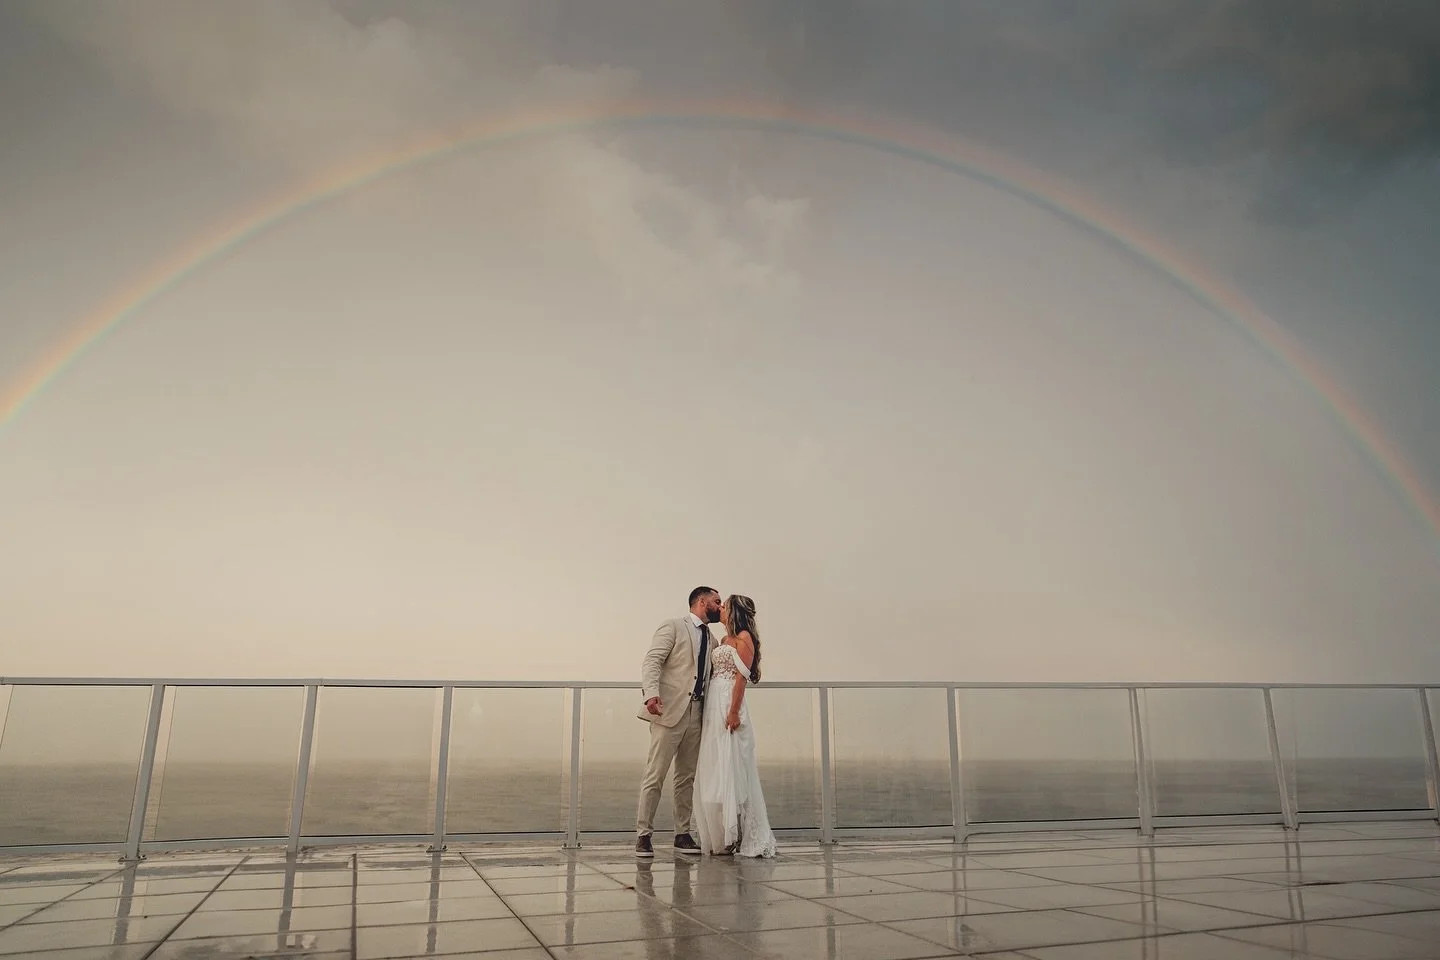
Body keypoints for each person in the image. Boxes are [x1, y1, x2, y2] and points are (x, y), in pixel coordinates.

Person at [634, 586, 722, 857]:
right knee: (655, 775)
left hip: (697, 715)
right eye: (717, 601)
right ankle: (643, 835)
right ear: (702, 601)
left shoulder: (715, 641)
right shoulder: (672, 626)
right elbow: (652, 661)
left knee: (686, 777)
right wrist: (651, 694)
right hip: (668, 712)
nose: (720, 606)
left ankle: (682, 834)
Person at [693, 594, 777, 858]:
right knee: (717, 764)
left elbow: (741, 679)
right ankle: (722, 833)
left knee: (734, 766)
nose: (721, 609)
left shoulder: (744, 639)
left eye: (725, 606)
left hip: (729, 703)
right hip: (713, 705)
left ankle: (740, 834)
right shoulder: (724, 640)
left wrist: (733, 712)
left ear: (736, 612)